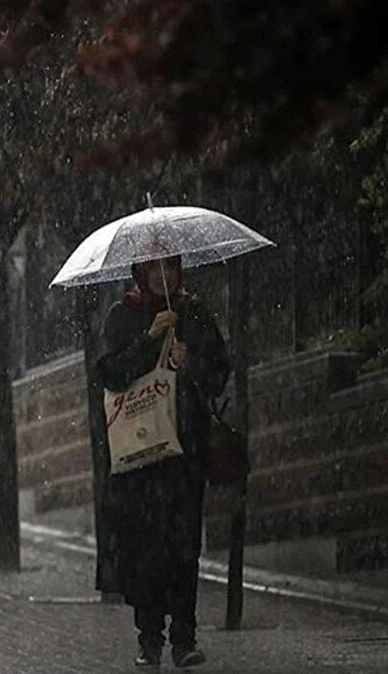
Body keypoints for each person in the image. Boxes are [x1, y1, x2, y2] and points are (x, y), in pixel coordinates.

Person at [97, 256, 230, 669]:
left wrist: (191, 362)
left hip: (184, 453)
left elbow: (219, 373)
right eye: (153, 269)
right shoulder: (124, 316)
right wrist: (147, 342)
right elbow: (110, 373)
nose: (162, 276)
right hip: (140, 457)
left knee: (184, 545)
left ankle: (184, 637)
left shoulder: (193, 313)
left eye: (168, 268)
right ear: (139, 273)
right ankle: (149, 637)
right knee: (145, 548)